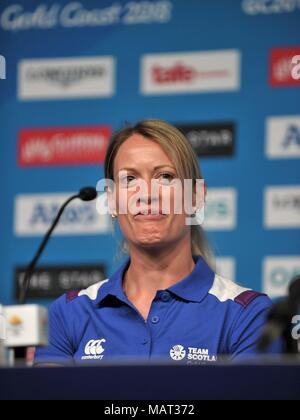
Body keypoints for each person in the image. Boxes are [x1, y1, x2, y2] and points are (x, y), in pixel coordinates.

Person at [34, 120, 275, 366]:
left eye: (166, 177)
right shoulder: (68, 314)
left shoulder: (248, 314)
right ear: (112, 201)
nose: (147, 194)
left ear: (196, 197)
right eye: (129, 179)